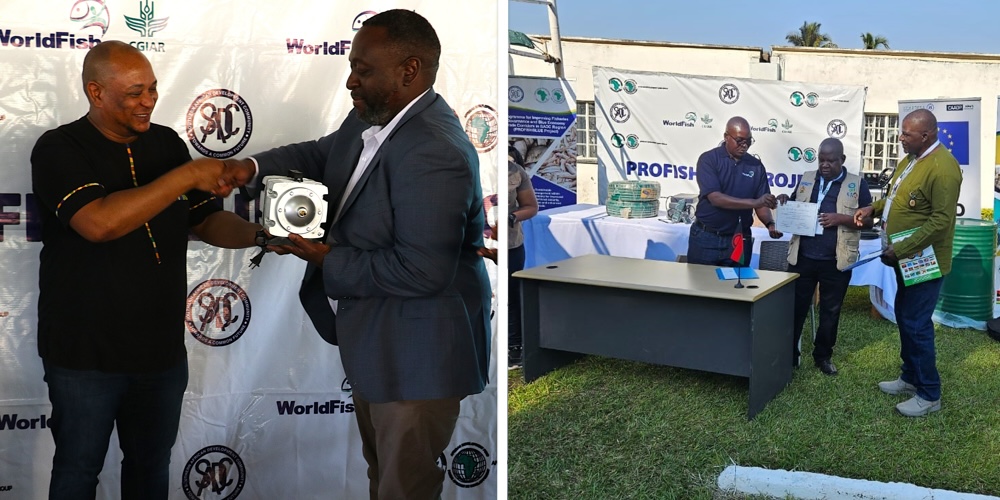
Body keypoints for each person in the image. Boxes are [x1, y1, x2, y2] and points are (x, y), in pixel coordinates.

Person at [217, 10, 491, 498]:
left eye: (363, 69)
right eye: (352, 66)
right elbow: (325, 154)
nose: (350, 80)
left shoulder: (434, 149)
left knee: (401, 488)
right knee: (382, 478)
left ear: (409, 70)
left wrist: (323, 257)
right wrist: (249, 167)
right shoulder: (375, 116)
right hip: (381, 345)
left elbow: (423, 271)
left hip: (417, 358)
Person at [30, 41, 259, 499]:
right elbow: (98, 222)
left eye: (153, 88)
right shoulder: (59, 148)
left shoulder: (167, 143)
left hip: (160, 356)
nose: (149, 101)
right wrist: (186, 175)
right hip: (85, 356)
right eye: (135, 92)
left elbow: (206, 220)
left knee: (150, 471)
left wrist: (266, 237)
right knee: (77, 472)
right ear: (96, 92)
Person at [854, 108, 962, 417]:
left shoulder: (944, 168)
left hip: (923, 260)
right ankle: (910, 377)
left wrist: (902, 248)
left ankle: (929, 393)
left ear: (926, 135)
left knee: (916, 324)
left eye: (906, 134)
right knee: (904, 315)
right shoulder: (912, 158)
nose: (900, 138)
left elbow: (941, 220)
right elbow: (894, 197)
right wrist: (872, 208)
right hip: (905, 257)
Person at [776, 138, 873, 375]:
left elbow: (869, 220)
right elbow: (793, 204)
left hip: (836, 260)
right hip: (803, 257)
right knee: (795, 308)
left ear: (842, 160)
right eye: (821, 160)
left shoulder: (857, 184)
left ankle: (823, 356)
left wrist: (842, 219)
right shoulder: (808, 178)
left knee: (831, 310)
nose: (825, 165)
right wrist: (784, 201)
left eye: (831, 160)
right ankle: (789, 354)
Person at [688, 116, 782, 266]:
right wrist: (755, 202)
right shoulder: (709, 160)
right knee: (700, 285)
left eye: (749, 141)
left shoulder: (756, 166)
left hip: (739, 239)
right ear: (726, 137)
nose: (744, 145)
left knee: (737, 287)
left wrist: (770, 223)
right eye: (740, 140)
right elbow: (715, 198)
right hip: (707, 238)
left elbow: (761, 203)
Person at [505, 148, 539, 368]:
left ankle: (515, 347)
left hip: (510, 245)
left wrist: (512, 216)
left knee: (512, 296)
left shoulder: (516, 172)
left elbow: (531, 207)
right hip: (474, 246)